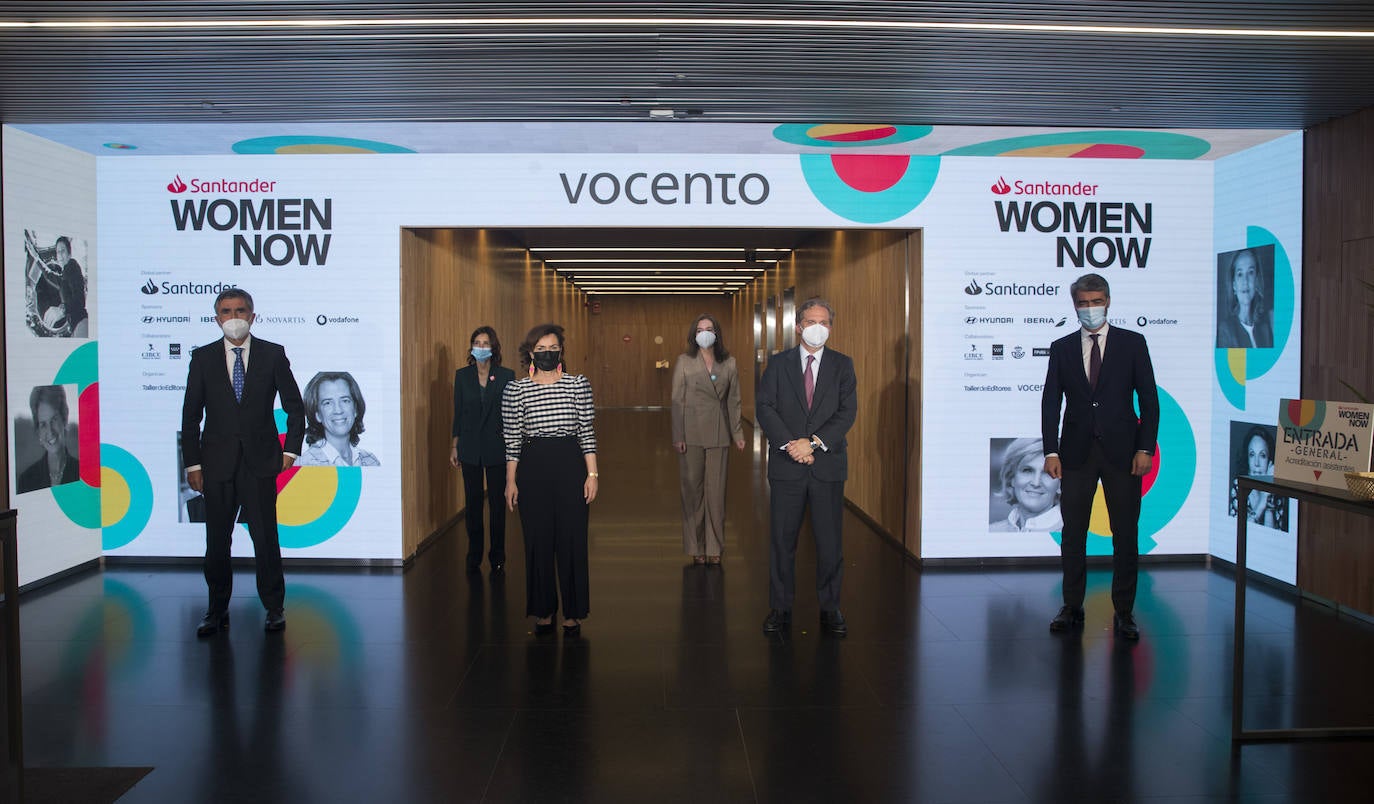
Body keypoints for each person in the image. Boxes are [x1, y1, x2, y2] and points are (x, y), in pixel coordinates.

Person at [181, 289, 305, 637]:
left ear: (252, 315)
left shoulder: (273, 354)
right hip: (216, 464)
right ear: (217, 317)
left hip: (261, 462)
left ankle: (275, 608)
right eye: (226, 311)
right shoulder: (202, 358)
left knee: (266, 538)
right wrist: (193, 465)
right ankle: (216, 609)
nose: (233, 316)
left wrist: (290, 450)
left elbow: (295, 407)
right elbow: (190, 417)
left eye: (240, 310)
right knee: (217, 541)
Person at [1042, 273, 1159, 640]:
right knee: (1073, 533)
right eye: (1083, 302)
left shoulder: (1132, 344)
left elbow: (1150, 402)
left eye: (1096, 301)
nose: (1090, 309)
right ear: (1074, 305)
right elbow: (1050, 404)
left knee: (1125, 533)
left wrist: (1145, 448)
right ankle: (1071, 606)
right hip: (1075, 453)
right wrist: (1051, 450)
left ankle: (1124, 612)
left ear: (1108, 301)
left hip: (1123, 454)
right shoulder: (1061, 347)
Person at [756, 298, 857, 637]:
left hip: (827, 466)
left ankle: (830, 608)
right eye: (812, 321)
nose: (818, 328)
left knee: (830, 543)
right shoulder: (779, 363)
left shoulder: (843, 365)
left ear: (831, 326)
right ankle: (780, 608)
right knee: (783, 541)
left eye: (825, 322)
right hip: (787, 467)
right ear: (798, 326)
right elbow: (766, 407)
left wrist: (811, 443)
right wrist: (791, 445)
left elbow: (847, 413)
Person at [502, 323, 598, 636]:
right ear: (530, 353)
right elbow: (512, 439)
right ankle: (542, 609)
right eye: (540, 349)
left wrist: (592, 474)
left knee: (572, 538)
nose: (547, 354)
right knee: (538, 539)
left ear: (561, 351)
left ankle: (573, 610)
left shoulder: (577, 384)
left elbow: (586, 431)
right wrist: (511, 481)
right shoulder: (516, 390)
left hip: (570, 465)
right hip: (533, 468)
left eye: (552, 348)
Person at [671, 314, 746, 565]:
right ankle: (696, 545)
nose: (705, 333)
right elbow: (676, 401)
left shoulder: (729, 363)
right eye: (700, 329)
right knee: (693, 491)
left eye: (709, 329)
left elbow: (734, 400)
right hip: (690, 433)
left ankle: (715, 546)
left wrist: (737, 433)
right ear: (694, 334)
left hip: (718, 432)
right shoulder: (684, 361)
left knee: (716, 492)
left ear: (717, 333)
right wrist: (677, 435)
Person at [451, 326, 515, 572]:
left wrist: (513, 447)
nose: (480, 347)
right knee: (474, 503)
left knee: (498, 506)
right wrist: (454, 445)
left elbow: (511, 415)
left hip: (497, 447)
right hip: (469, 448)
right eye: (476, 342)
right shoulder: (462, 376)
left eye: (485, 343)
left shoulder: (506, 375)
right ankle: (474, 552)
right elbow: (458, 413)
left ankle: (497, 554)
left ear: (493, 347)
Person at [297, 371, 380, 467]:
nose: (338, 410)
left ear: (355, 409)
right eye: (327, 403)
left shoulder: (371, 461)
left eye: (345, 401)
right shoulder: (305, 464)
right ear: (317, 415)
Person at [16, 385, 81, 493]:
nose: (50, 432)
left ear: (64, 420)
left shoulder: (83, 472)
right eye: (43, 424)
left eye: (54, 420)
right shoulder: (26, 479)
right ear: (38, 431)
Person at [991, 438, 1062, 532]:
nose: (1036, 483)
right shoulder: (992, 530)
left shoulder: (1076, 534)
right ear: (1012, 478)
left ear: (1060, 484)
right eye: (1027, 470)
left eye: (1048, 473)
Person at [1229, 426, 1288, 530]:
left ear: (1270, 461)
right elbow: (1235, 533)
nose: (1256, 463)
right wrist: (1262, 501)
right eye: (1252, 455)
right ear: (1247, 459)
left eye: (1262, 456)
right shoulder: (1238, 486)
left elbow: (1270, 538)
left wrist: (1268, 493)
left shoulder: (1278, 492)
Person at [1216, 248, 1274, 348]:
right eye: (1240, 274)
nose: (1245, 281)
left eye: (1250, 272)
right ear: (1234, 285)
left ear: (1256, 280)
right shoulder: (1225, 330)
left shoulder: (1267, 326)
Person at [53, 237, 89, 338]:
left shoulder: (72, 266)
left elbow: (80, 300)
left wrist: (63, 309)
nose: (60, 254)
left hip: (80, 324)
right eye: (58, 252)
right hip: (75, 326)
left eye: (63, 251)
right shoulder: (65, 273)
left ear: (69, 253)